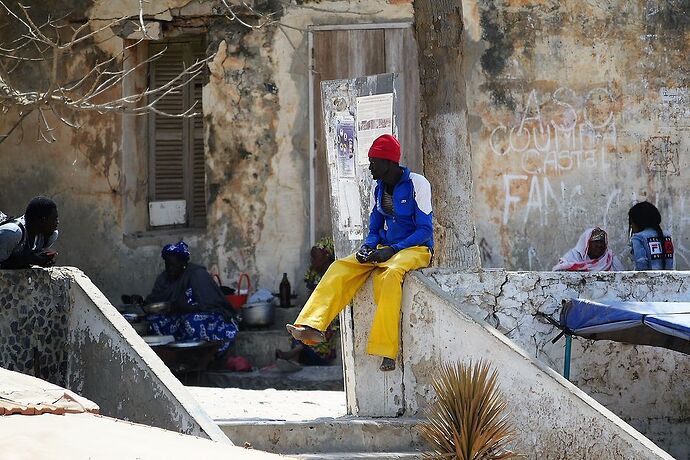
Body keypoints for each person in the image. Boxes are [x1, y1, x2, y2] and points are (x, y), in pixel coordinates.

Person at [286, 134, 433, 372]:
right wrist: (368, 246)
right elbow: (374, 229)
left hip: (414, 248)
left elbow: (425, 230)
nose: (371, 166)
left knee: (390, 274)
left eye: (374, 161)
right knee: (339, 267)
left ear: (389, 163)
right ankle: (312, 326)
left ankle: (387, 352)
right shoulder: (379, 189)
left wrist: (392, 250)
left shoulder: (418, 183)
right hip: (385, 247)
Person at [145, 241, 239, 355]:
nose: (170, 268)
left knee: (192, 321)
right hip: (178, 317)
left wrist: (184, 307)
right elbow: (154, 302)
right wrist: (141, 302)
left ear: (183, 263)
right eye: (167, 264)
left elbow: (211, 305)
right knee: (153, 321)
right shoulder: (164, 278)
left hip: (209, 318)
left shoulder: (197, 275)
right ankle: (172, 355)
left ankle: (202, 355)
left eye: (174, 265)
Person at [276, 237, 339, 367]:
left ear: (327, 256)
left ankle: (293, 354)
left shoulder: (336, 272)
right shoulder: (313, 273)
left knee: (322, 325)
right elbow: (312, 299)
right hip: (318, 309)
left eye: (315, 257)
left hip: (333, 312)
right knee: (302, 322)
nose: (312, 261)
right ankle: (295, 357)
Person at [0, 196, 59, 269]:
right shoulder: (12, 233)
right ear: (42, 220)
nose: (57, 222)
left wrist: (42, 260)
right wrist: (26, 260)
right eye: (54, 219)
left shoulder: (49, 236)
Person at [553, 227, 623, 271]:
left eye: (602, 242)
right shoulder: (573, 257)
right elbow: (559, 270)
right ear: (586, 243)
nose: (600, 245)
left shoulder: (610, 260)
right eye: (596, 242)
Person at [628, 201, 674, 270]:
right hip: (669, 279)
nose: (631, 226)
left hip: (648, 279)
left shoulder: (638, 238)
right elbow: (671, 263)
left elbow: (641, 264)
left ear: (637, 221)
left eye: (631, 223)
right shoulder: (667, 236)